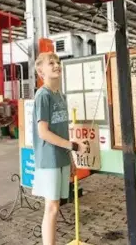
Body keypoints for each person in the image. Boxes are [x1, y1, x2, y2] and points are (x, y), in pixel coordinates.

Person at [31, 52, 86, 245]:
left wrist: (69, 157)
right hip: (49, 159)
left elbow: (61, 130)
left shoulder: (60, 96)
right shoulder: (43, 95)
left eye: (58, 62)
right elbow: (43, 132)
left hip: (61, 157)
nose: (56, 65)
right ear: (41, 71)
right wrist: (72, 146)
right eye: (51, 63)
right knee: (52, 207)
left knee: (56, 206)